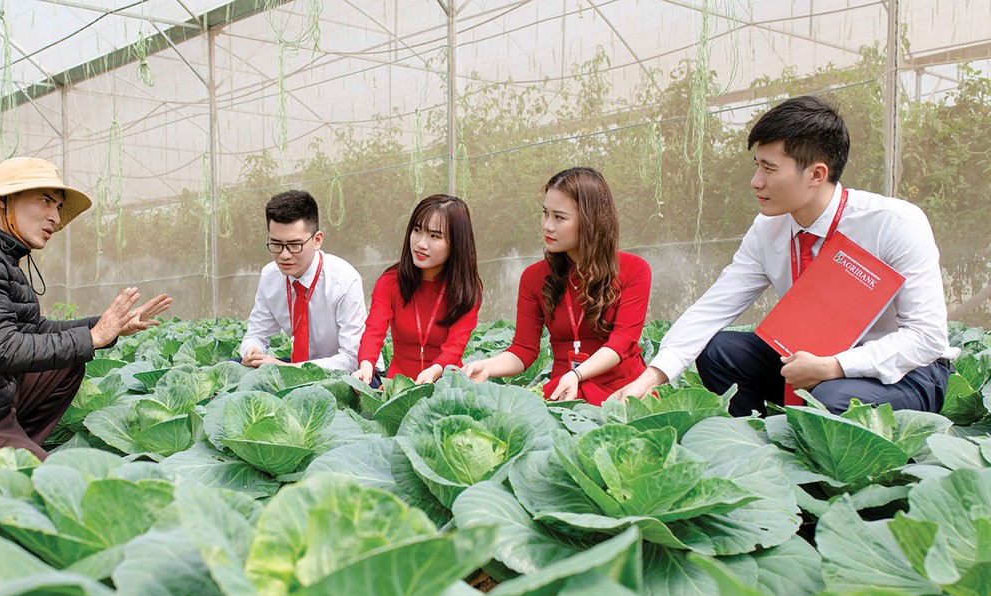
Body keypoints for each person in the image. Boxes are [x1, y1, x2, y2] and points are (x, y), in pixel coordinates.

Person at [612, 95, 956, 415]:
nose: (756, 181)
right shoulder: (768, 229)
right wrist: (651, 377)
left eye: (770, 168)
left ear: (816, 174)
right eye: (757, 165)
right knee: (718, 352)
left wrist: (835, 366)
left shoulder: (894, 224)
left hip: (905, 372)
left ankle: (820, 431)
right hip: (806, 360)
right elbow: (713, 307)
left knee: (832, 398)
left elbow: (926, 338)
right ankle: (759, 440)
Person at [0, 156, 172, 460]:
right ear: (3, 200)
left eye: (58, 207)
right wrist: (93, 338)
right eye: (46, 201)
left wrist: (109, 326)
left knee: (66, 362)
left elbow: (33, 330)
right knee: (55, 480)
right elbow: (1, 348)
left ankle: (15, 439)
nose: (56, 218)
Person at [462, 167, 651, 403]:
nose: (547, 225)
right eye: (545, 213)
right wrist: (487, 366)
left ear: (590, 221)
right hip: (564, 393)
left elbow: (621, 344)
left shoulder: (634, 270)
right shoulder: (533, 277)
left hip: (625, 393)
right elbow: (523, 350)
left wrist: (577, 374)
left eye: (559, 217)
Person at [352, 194, 481, 386]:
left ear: (456, 243)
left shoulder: (467, 290)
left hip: (447, 386)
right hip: (398, 387)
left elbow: (455, 346)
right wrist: (366, 365)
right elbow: (374, 330)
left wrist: (435, 371)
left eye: (434, 236)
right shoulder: (390, 282)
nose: (421, 243)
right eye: (417, 230)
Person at [239, 190, 368, 372]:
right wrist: (253, 350)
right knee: (235, 367)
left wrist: (289, 369)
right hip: (299, 363)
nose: (284, 255)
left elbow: (352, 358)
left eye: (294, 245)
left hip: (350, 372)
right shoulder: (270, 276)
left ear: (317, 240)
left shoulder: (344, 280)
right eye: (276, 244)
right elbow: (257, 334)